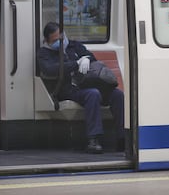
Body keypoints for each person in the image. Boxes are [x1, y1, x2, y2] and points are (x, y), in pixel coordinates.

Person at [37, 22, 125, 154]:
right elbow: (50, 69)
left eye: (61, 38)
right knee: (93, 94)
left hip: (87, 84)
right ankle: (93, 139)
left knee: (117, 95)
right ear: (47, 41)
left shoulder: (74, 45)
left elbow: (91, 57)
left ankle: (122, 137)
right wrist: (76, 64)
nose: (60, 42)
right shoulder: (44, 53)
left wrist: (86, 59)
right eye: (55, 41)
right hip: (68, 89)